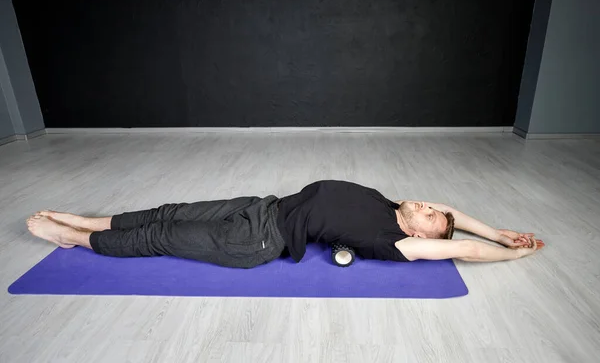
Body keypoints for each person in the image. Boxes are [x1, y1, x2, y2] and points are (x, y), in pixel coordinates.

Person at [26, 179, 545, 268]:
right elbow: (452, 212)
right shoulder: (393, 205)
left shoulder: (396, 241)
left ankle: (75, 239)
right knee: (168, 212)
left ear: (416, 236)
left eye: (430, 217)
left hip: (256, 238)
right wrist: (498, 228)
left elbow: (462, 250)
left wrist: (509, 252)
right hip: (261, 205)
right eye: (433, 208)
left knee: (162, 238)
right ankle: (88, 219)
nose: (429, 208)